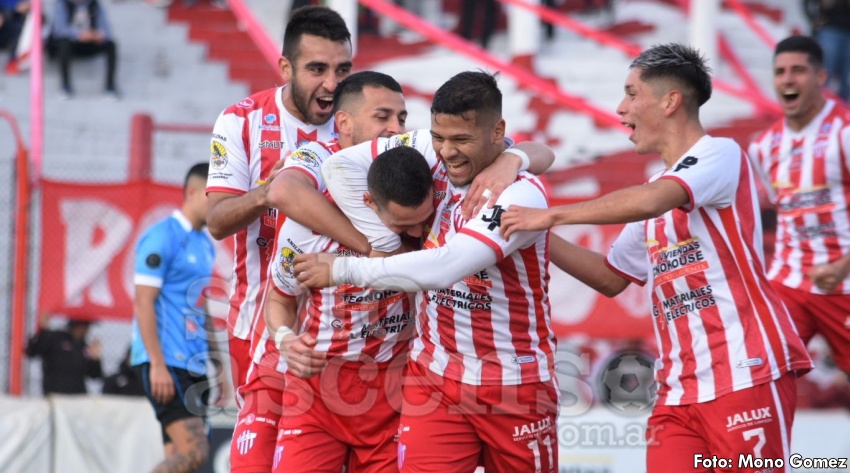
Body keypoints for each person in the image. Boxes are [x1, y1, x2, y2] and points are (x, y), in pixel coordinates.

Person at [498, 43, 813, 472]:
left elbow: (651, 201)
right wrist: (532, 234)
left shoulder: (718, 154)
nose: (620, 107)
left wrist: (550, 213)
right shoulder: (656, 186)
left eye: (631, 93)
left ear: (670, 101)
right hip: (678, 392)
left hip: (745, 371)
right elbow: (612, 277)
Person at [293, 71, 559, 473]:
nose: (447, 152)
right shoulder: (428, 150)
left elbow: (447, 266)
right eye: (439, 137)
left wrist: (347, 267)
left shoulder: (521, 193)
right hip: (433, 378)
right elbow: (340, 167)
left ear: (497, 132)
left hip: (513, 385)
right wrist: (382, 243)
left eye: (461, 140)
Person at [227, 70, 406, 473]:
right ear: (343, 124)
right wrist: (287, 337)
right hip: (311, 380)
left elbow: (516, 149)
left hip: (394, 388)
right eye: (383, 117)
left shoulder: (419, 176)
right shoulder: (313, 187)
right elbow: (284, 192)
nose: (396, 129)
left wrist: (512, 158)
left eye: (402, 117)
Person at [205, 5, 352, 409]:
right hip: (257, 322)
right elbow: (217, 221)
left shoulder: (360, 122)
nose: (332, 84)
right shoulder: (240, 121)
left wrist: (511, 159)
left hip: (340, 328)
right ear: (286, 68)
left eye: (342, 70)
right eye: (317, 69)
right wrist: (270, 191)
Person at [265, 146, 431, 473]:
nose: (415, 233)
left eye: (419, 224)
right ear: (370, 203)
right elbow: (279, 300)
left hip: (395, 391)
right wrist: (285, 338)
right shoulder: (304, 230)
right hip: (317, 390)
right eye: (402, 226)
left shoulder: (421, 214)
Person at [748, 35, 850, 382]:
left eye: (798, 71)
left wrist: (842, 265)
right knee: (763, 373)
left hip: (845, 283)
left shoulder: (844, 132)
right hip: (790, 282)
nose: (787, 80)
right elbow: (784, 210)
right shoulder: (763, 147)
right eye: (780, 72)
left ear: (821, 77)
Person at [130, 162, 224, 473]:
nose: (221, 204)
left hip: (193, 364)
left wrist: (217, 362)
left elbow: (202, 304)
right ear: (193, 192)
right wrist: (157, 363)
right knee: (196, 453)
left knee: (179, 459)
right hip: (167, 362)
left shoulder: (205, 243)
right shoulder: (161, 237)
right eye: (216, 196)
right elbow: (143, 302)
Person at [49, 0, 118, 99]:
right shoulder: (62, 4)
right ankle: (65, 86)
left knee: (111, 45)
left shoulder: (95, 5)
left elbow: (106, 30)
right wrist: (78, 35)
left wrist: (96, 35)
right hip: (69, 43)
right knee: (64, 44)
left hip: (89, 43)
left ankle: (110, 86)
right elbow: (59, 30)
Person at [25, 314, 103, 395]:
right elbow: (32, 352)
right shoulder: (54, 338)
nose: (86, 330)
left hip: (78, 397)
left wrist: (96, 359)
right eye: (85, 326)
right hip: (54, 395)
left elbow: (95, 375)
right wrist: (42, 332)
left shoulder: (84, 347)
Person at [804, 0, 850, 101]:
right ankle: (818, 107)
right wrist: (813, 17)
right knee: (824, 73)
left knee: (846, 79)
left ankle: (844, 113)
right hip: (830, 28)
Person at [0, 0, 29, 74]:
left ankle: (13, 61)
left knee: (18, 27)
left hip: (15, 15)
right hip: (5, 12)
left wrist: (27, 5)